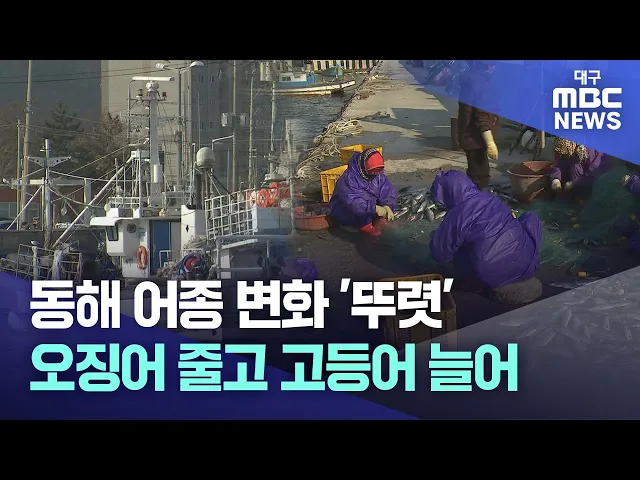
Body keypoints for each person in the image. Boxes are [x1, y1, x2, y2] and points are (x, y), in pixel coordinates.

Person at [429, 169, 542, 289]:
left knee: (455, 249)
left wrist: (436, 237)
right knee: (530, 217)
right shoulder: (490, 198)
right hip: (528, 266)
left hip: (493, 278)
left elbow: (440, 255)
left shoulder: (456, 216)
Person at [329, 148, 397, 238]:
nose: (376, 173)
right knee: (371, 233)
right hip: (346, 210)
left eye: (379, 170)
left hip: (369, 208)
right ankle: (364, 224)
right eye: (373, 170)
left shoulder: (378, 175)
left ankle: (376, 220)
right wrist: (374, 208)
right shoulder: (349, 178)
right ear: (364, 167)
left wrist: (387, 205)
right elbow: (353, 202)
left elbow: (387, 190)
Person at [457, 61, 499, 190]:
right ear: (489, 66)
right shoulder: (481, 84)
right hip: (475, 139)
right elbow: (482, 118)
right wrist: (490, 142)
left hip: (468, 135)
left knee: (475, 172)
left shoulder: (471, 77)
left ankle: (473, 193)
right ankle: (475, 197)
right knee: (480, 177)